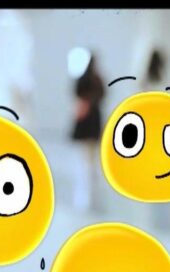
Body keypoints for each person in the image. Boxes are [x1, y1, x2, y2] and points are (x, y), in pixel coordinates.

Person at [71, 52, 106, 212]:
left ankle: (90, 166)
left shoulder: (92, 78)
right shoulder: (92, 78)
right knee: (89, 145)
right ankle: (89, 167)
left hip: (91, 116)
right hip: (90, 116)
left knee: (90, 146)